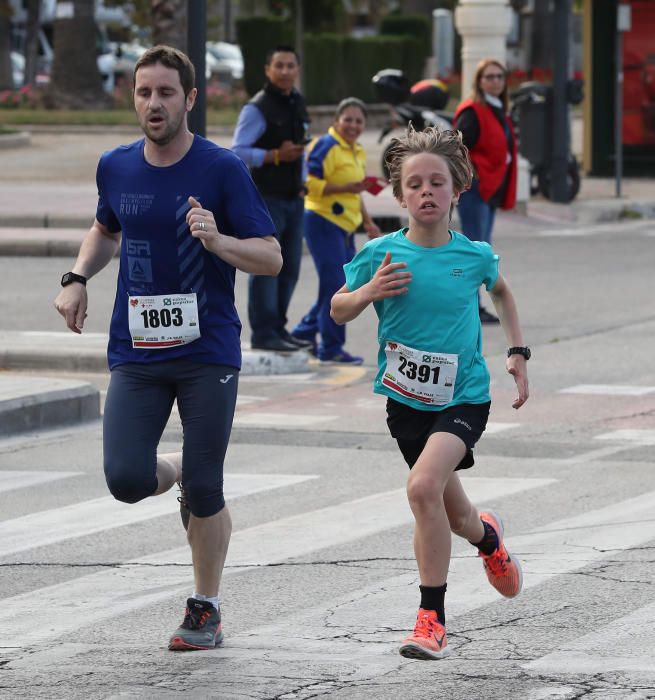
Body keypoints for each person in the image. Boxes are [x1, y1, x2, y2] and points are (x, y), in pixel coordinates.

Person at [53, 45, 281, 652]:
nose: (154, 104)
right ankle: (176, 471)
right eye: (144, 93)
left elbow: (272, 255)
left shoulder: (222, 169)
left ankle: (204, 607)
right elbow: (105, 230)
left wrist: (219, 240)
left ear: (191, 99)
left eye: (166, 93)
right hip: (137, 349)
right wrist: (77, 278)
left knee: (208, 489)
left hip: (208, 349)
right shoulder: (116, 166)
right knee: (126, 478)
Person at [331, 125, 529, 660]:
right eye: (414, 184)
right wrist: (369, 291)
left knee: (421, 490)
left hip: (464, 397)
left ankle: (431, 619)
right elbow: (339, 307)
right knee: (453, 512)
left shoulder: (474, 256)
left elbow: (504, 293)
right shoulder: (379, 254)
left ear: (456, 190)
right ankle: (487, 538)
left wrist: (517, 353)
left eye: (436, 182)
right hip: (406, 403)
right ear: (399, 195)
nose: (425, 192)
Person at [290, 97, 381, 365]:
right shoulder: (325, 145)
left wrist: (368, 221)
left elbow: (358, 190)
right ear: (336, 121)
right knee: (335, 286)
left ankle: (304, 332)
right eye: (348, 119)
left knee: (346, 283)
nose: (353, 125)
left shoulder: (357, 150)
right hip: (321, 220)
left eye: (358, 121)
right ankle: (330, 348)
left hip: (346, 225)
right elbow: (310, 184)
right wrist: (347, 189)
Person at [232, 45, 311, 353]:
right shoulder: (257, 107)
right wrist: (274, 155)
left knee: (289, 267)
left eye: (291, 65)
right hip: (267, 198)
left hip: (295, 198)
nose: (285, 71)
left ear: (298, 70)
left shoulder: (297, 103)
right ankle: (264, 332)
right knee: (266, 268)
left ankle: (278, 327)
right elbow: (238, 151)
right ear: (267, 70)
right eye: (279, 65)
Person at [454, 58, 517, 325]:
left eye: (499, 77)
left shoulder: (497, 109)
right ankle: (469, 308)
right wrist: (473, 173)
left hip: (491, 187)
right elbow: (457, 145)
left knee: (481, 249)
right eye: (489, 77)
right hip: (476, 188)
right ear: (479, 81)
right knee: (474, 251)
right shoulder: (473, 110)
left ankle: (473, 306)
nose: (495, 81)